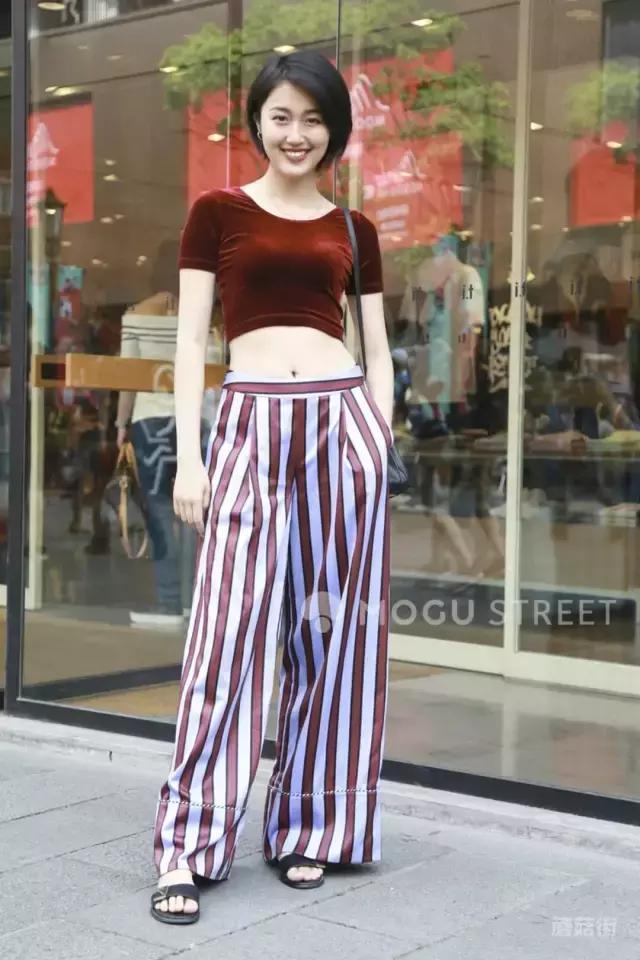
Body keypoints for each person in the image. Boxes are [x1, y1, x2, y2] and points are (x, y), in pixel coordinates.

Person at [150, 50, 394, 925]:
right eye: (282, 117)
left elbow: (376, 347)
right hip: (250, 420)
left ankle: (309, 828)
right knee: (227, 635)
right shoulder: (217, 212)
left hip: (341, 424)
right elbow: (190, 343)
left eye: (314, 119)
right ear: (256, 122)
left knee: (334, 636)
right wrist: (189, 457)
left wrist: (378, 438)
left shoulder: (355, 228)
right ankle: (188, 845)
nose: (297, 135)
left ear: (335, 130)